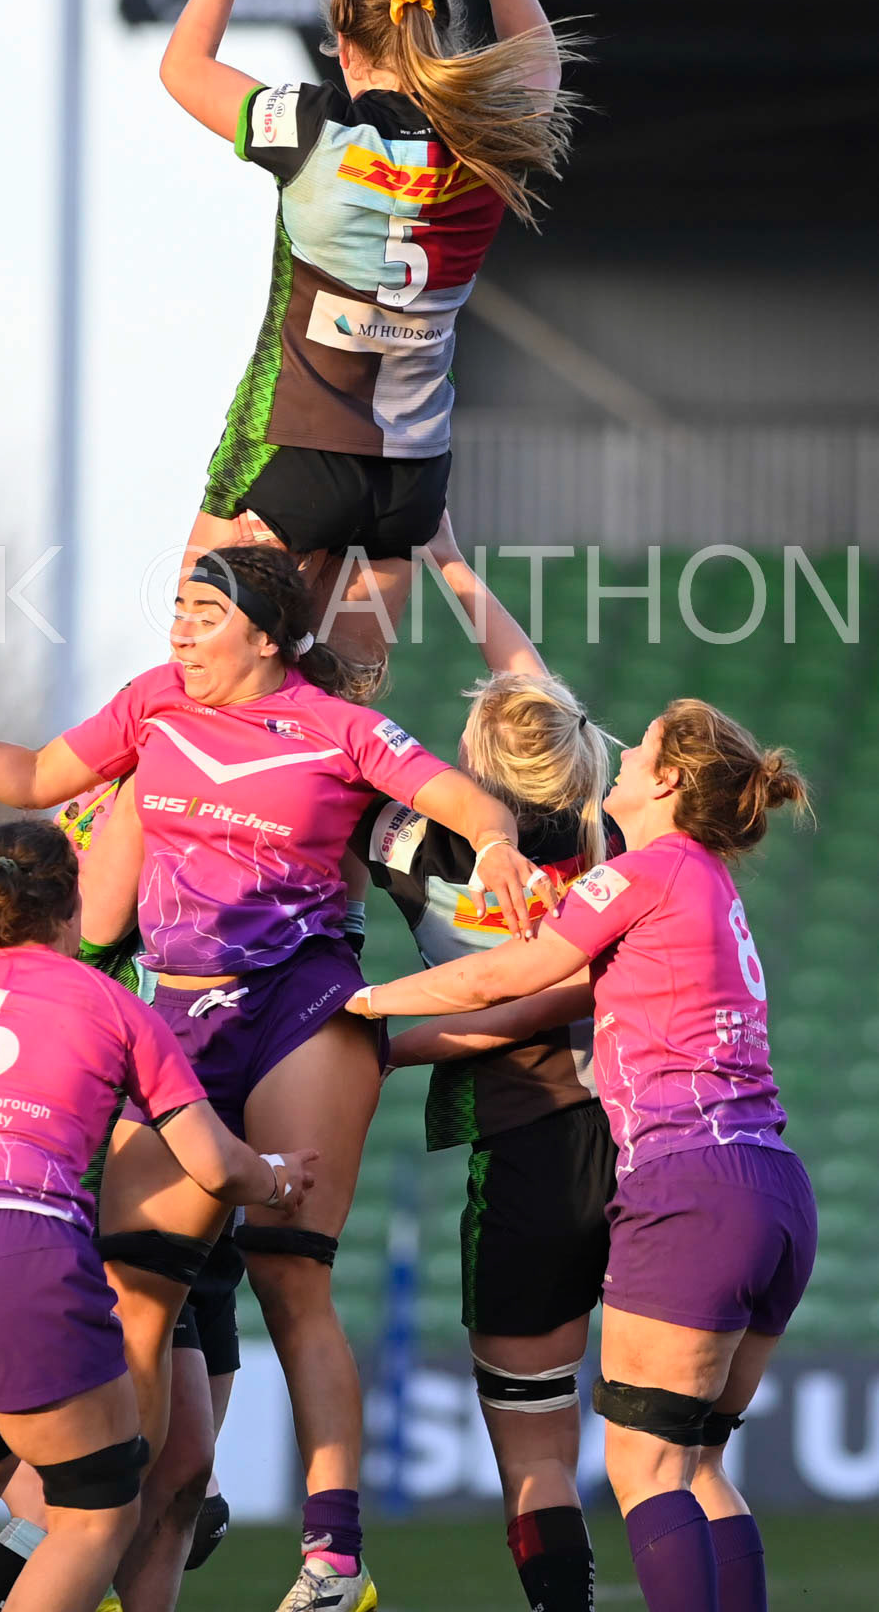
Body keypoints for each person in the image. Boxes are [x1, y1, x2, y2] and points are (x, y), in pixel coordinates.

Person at [0, 545, 552, 1612]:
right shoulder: (151, 704)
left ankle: (333, 1556)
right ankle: (102, 1522)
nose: (179, 625)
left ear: (268, 636)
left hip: (298, 996)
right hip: (173, 1007)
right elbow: (37, 779)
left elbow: (458, 797)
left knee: (290, 1271)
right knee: (137, 1285)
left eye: (204, 609)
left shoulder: (338, 725)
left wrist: (495, 842)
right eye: (176, 604)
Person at [346, 698, 818, 1612]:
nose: (620, 756)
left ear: (670, 783)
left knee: (644, 1468)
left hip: (689, 1182)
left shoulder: (642, 871)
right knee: (700, 1462)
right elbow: (539, 1002)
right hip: (773, 1186)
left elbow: (500, 975)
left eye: (639, 749)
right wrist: (404, 1044)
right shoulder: (708, 878)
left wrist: (365, 1006)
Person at [0, 816, 315, 1612]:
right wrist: (276, 1177)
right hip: (16, 1252)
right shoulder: (113, 1004)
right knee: (99, 1508)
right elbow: (213, 1165)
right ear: (72, 905)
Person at [159, 0, 577, 661]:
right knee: (342, 720)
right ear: (436, 40)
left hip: (290, 451)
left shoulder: (311, 130)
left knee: (196, 683)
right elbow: (540, 63)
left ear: (343, 49)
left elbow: (184, 68)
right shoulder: (487, 141)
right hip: (409, 482)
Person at [354, 532, 617, 1612]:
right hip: (634, 1135)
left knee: (537, 1450)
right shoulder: (600, 833)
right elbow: (529, 686)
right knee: (666, 1449)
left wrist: (387, 1039)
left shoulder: (407, 844)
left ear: (475, 755)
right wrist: (454, 566)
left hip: (521, 1148)